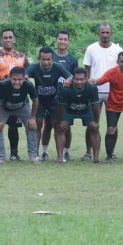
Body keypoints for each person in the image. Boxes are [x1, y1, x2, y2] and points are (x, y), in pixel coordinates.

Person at [82, 23, 123, 161]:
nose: (105, 35)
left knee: (112, 124)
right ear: (97, 33)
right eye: (102, 32)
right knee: (92, 123)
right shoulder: (91, 49)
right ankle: (89, 152)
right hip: (95, 92)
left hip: (113, 92)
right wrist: (86, 88)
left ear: (112, 33)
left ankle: (110, 153)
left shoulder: (118, 50)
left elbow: (122, 70)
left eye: (107, 32)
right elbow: (86, 70)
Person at [0, 29, 30, 161]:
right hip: (1, 96)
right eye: (5, 38)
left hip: (18, 96)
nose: (8, 40)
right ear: (1, 40)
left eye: (10, 37)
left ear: (14, 39)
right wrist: (3, 86)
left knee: (14, 126)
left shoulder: (21, 56)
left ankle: (14, 153)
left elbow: (27, 75)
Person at [27, 47, 72, 161]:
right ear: (39, 59)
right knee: (37, 125)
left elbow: (71, 77)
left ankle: (60, 156)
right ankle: (35, 155)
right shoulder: (34, 67)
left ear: (52, 58)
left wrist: (68, 81)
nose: (46, 62)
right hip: (39, 101)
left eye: (48, 59)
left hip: (54, 100)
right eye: (43, 59)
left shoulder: (58, 67)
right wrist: (25, 77)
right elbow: (24, 74)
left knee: (57, 125)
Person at [0, 67, 39, 164]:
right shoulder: (3, 85)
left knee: (32, 126)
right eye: (14, 79)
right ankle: (1, 158)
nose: (17, 82)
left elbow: (35, 100)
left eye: (19, 80)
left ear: (24, 78)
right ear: (10, 77)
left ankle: (33, 156)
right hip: (4, 108)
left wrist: (32, 118)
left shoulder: (29, 85)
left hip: (22, 107)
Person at [56, 68, 101, 163]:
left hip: (86, 109)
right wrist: (59, 121)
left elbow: (95, 106)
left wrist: (96, 121)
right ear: (73, 79)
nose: (79, 82)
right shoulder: (66, 88)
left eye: (82, 79)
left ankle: (96, 158)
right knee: (61, 128)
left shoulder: (92, 87)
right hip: (69, 110)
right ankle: (60, 157)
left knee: (94, 128)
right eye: (77, 79)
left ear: (86, 79)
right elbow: (60, 106)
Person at [50, 30, 79, 161]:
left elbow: (76, 78)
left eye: (65, 39)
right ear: (56, 40)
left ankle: (66, 152)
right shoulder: (50, 57)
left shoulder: (73, 59)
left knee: (66, 125)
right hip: (51, 96)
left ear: (68, 41)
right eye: (60, 39)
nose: (62, 41)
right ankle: (45, 152)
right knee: (50, 124)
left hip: (66, 97)